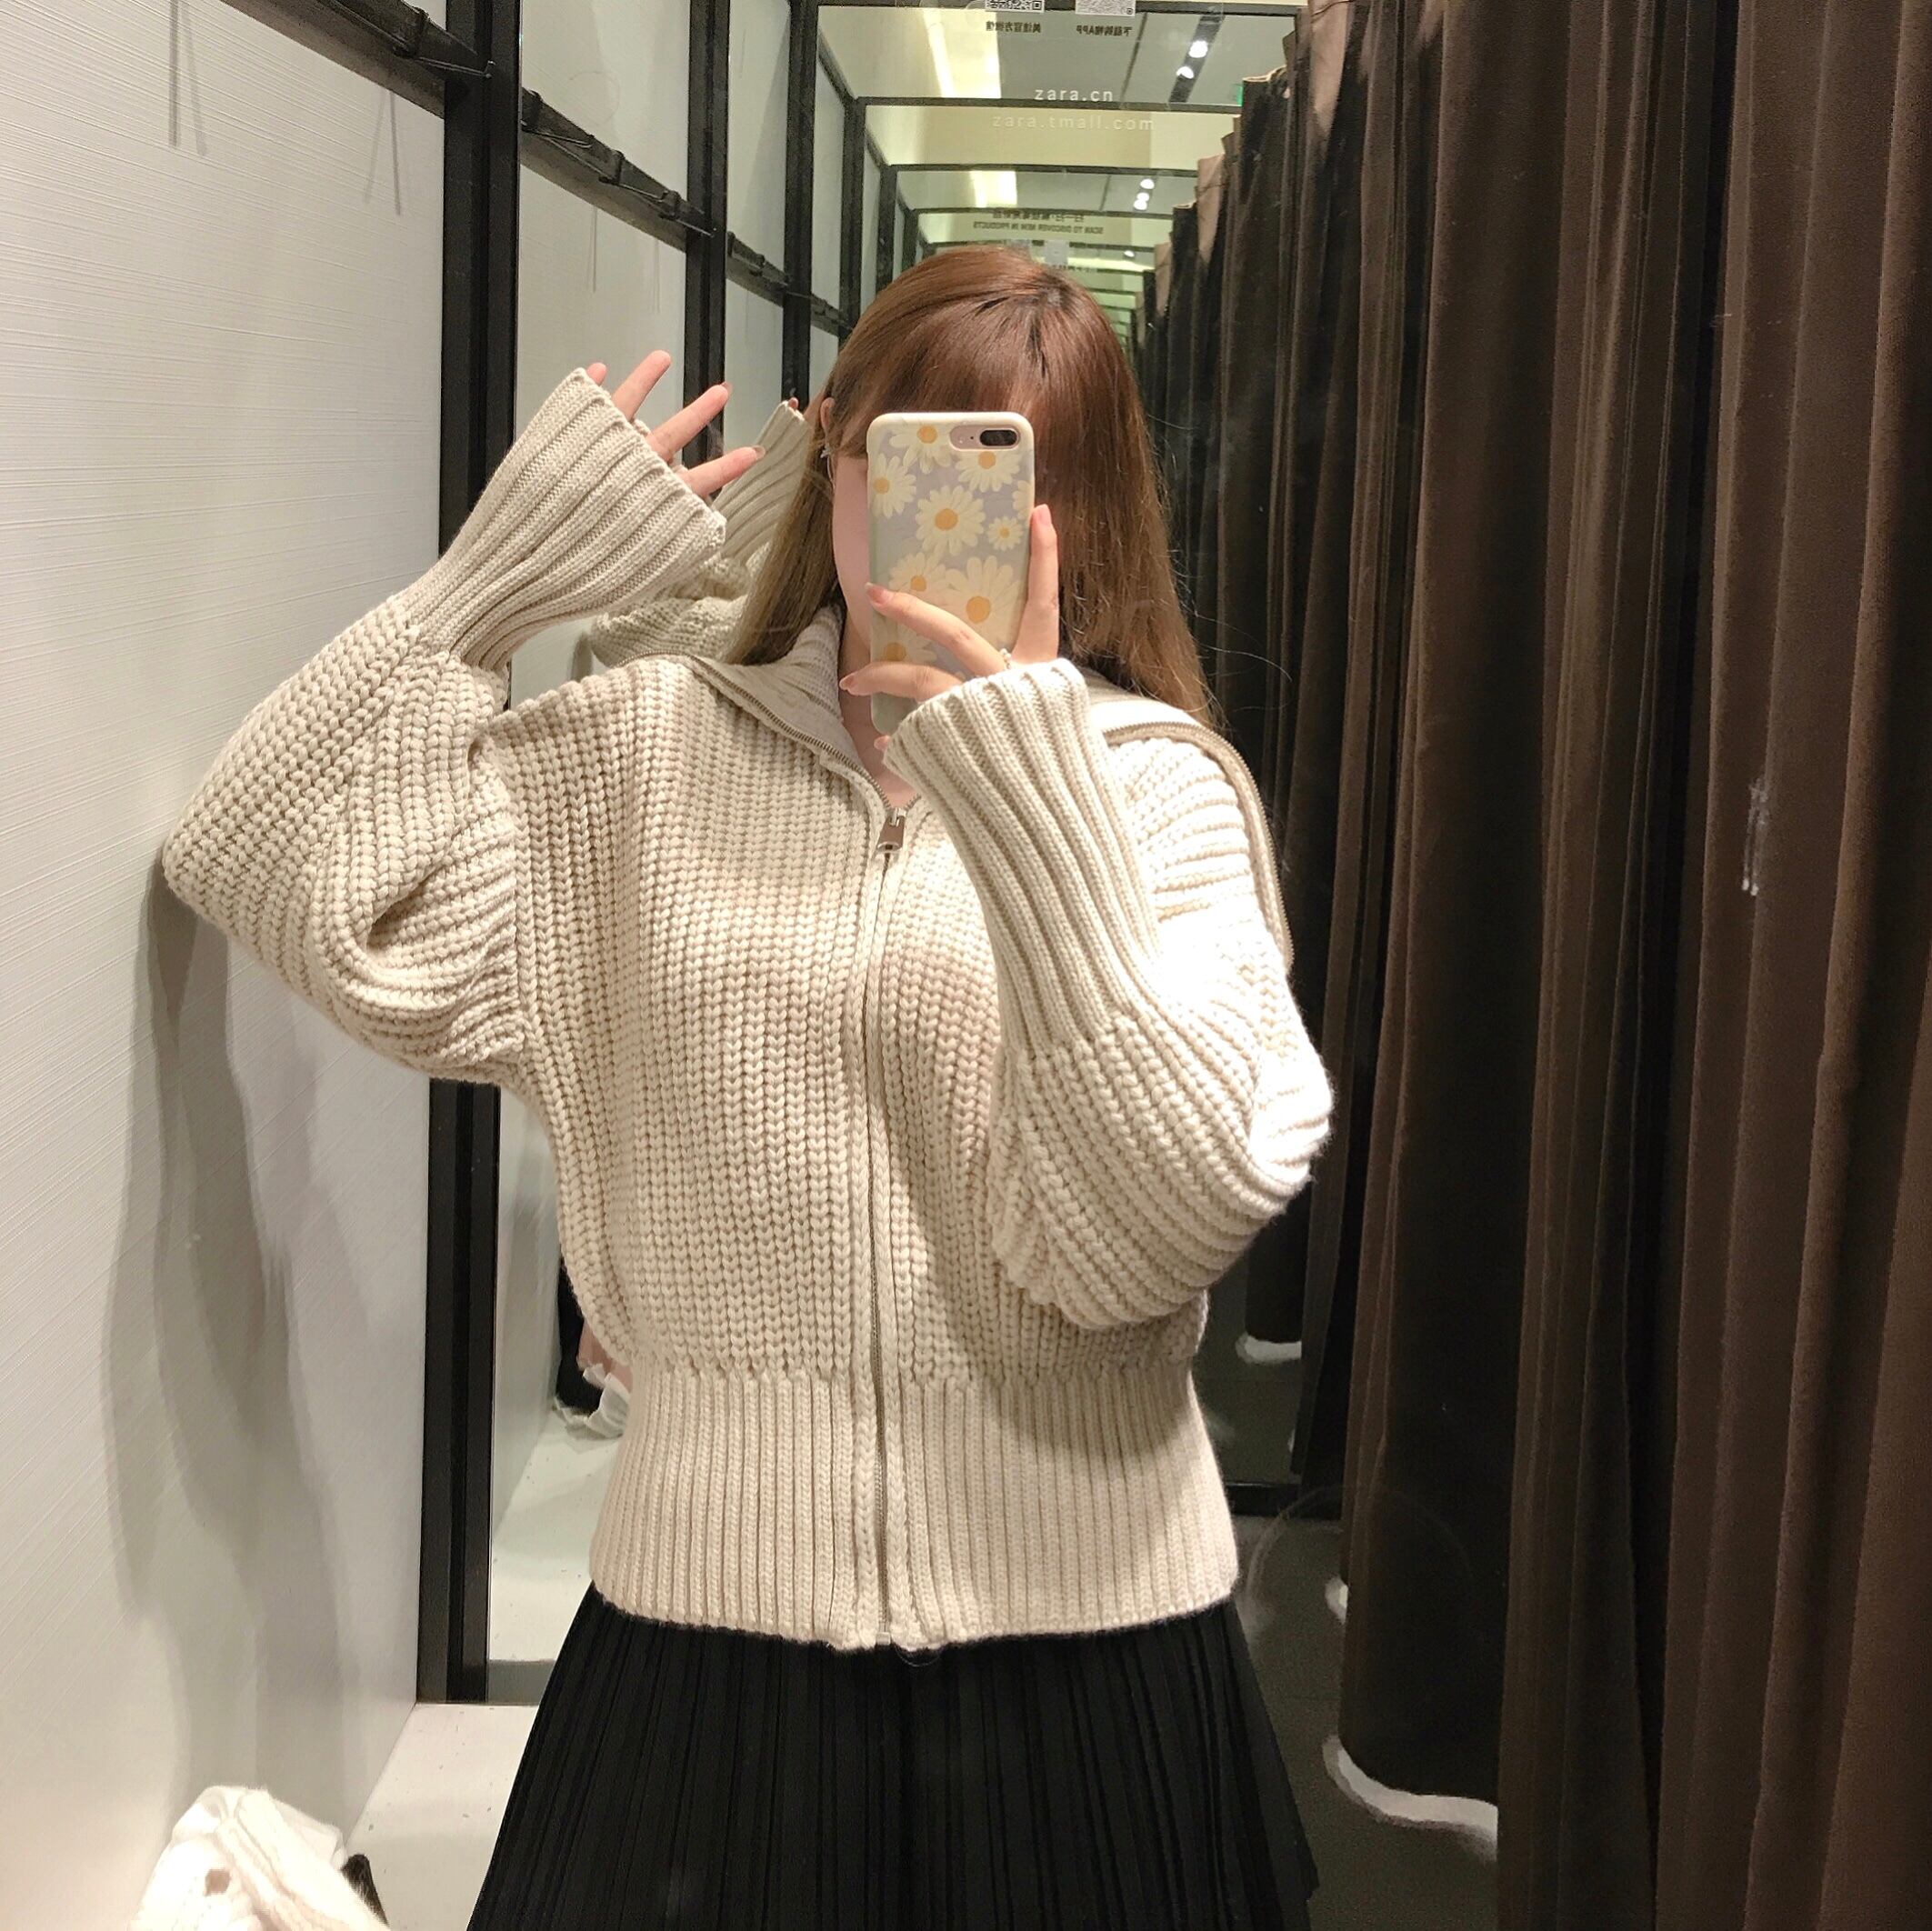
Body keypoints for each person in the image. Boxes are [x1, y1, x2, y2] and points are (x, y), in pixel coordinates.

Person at [160, 248, 1333, 1929]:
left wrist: (1026, 790)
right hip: (703, 1645)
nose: (950, 520)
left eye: (1018, 474)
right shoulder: (646, 757)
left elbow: (1139, 1239)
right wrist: (476, 599)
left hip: (1100, 1667)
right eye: (908, 458)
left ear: (1084, 515)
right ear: (831, 449)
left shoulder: (1158, 799)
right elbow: (272, 870)